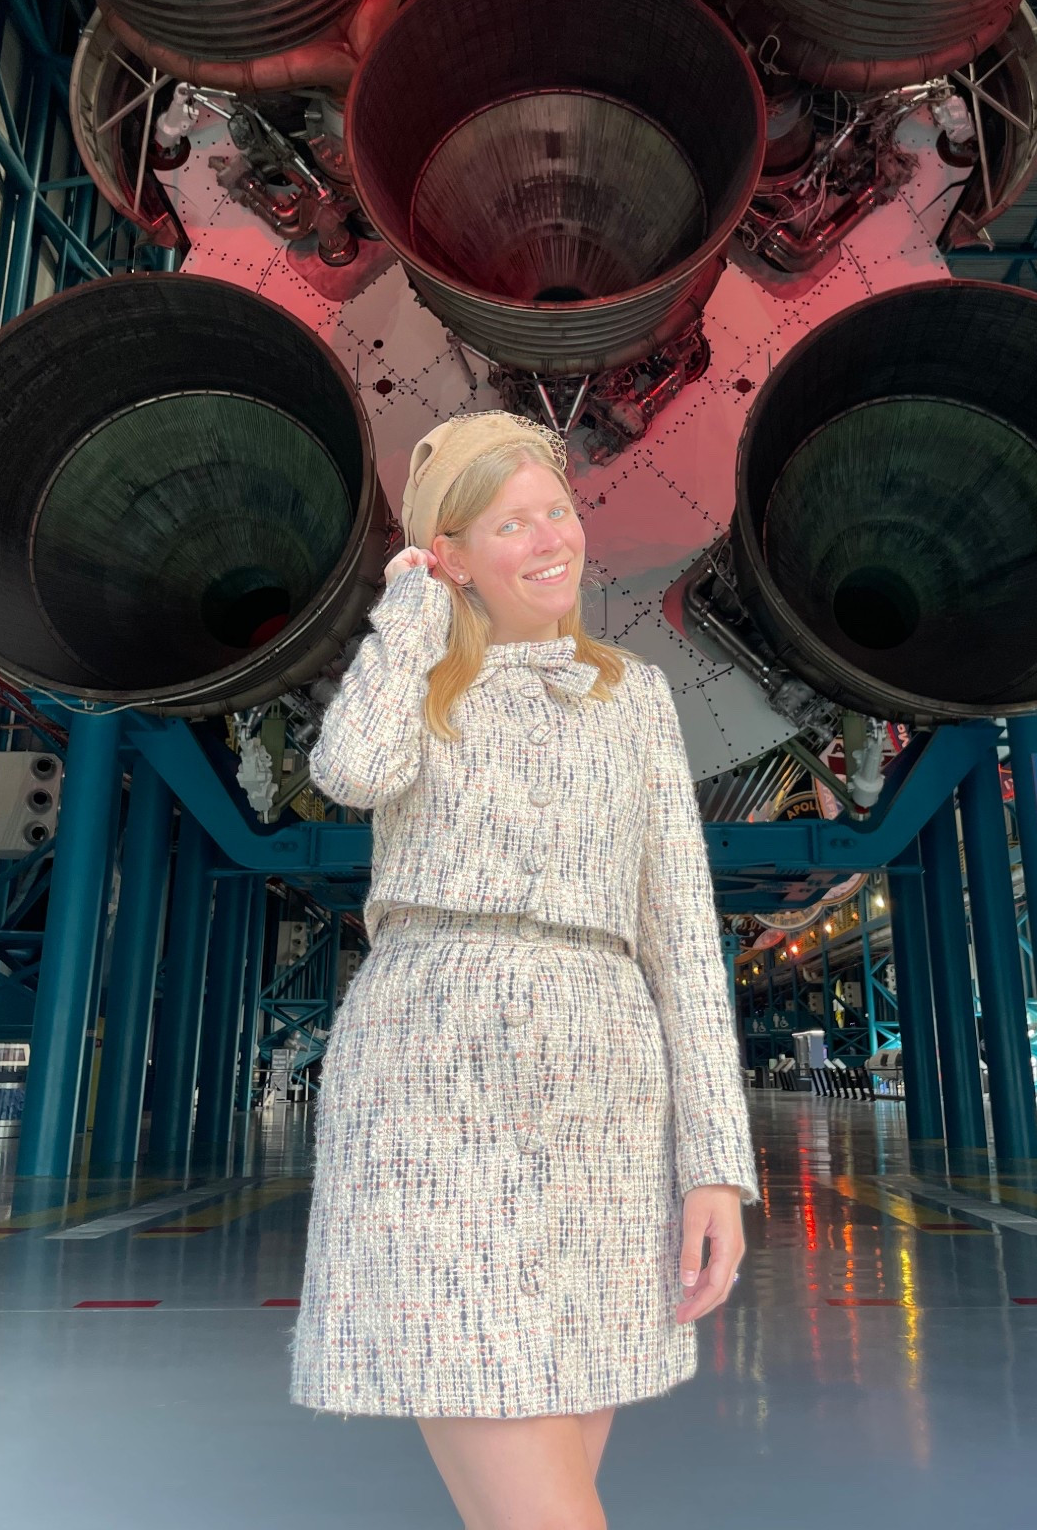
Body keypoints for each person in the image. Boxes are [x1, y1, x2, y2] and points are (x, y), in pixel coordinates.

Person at [290, 409, 759, 1530]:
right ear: (448, 552)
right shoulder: (416, 686)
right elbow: (347, 768)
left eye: (557, 508)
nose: (552, 537)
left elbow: (686, 939)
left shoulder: (633, 696)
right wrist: (409, 609)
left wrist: (714, 1164)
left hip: (603, 1096)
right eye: (510, 522)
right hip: (433, 1083)